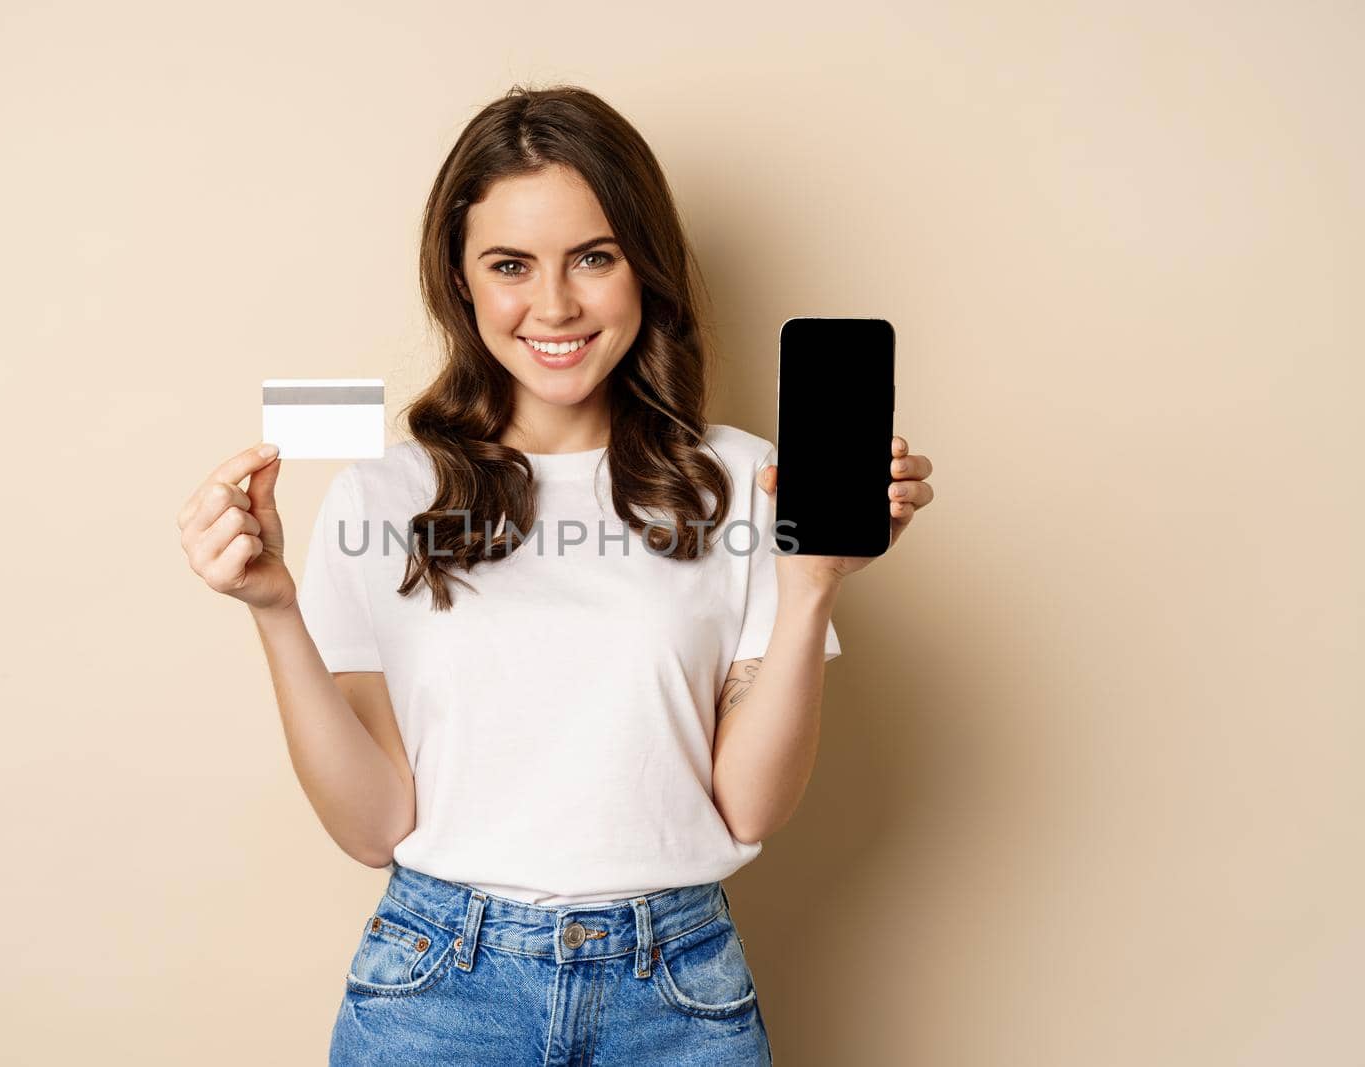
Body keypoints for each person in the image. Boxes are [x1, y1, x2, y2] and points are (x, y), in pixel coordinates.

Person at [177, 84, 934, 1066]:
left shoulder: (747, 478)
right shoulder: (386, 491)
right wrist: (274, 608)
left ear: (644, 269)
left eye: (593, 256)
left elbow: (747, 807)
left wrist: (813, 584)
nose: (555, 305)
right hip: (436, 988)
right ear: (461, 282)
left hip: (676, 994)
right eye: (509, 265)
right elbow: (372, 826)